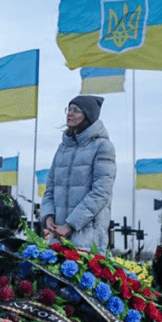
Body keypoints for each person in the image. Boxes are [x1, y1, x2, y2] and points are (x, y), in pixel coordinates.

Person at [40, 95, 116, 250]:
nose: (70, 113)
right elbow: (50, 189)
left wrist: (70, 225)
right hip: (58, 236)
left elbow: (101, 192)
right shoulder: (63, 148)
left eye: (76, 110)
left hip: (88, 238)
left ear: (88, 115)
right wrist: (48, 216)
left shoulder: (103, 147)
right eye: (69, 109)